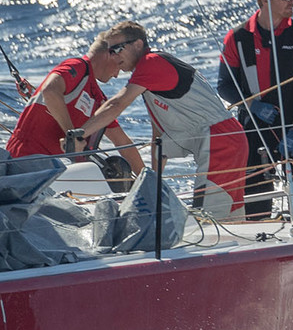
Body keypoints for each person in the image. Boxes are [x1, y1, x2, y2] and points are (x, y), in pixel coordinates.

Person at [76, 21, 250, 219]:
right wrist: (155, 180)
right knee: (230, 216)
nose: (113, 56)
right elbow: (158, 136)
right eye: (110, 51)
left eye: (117, 49)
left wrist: (79, 134)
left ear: (138, 44)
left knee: (210, 219)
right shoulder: (148, 78)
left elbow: (116, 104)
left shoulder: (151, 63)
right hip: (227, 139)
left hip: (220, 141)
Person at [217, 0, 293, 219]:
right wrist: (252, 106)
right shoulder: (237, 37)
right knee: (256, 207)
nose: (291, 1)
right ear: (263, 0)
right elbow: (224, 86)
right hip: (254, 127)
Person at [7, 32, 143, 173]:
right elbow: (50, 91)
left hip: (54, 171)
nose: (116, 75)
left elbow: (123, 143)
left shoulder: (98, 98)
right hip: (26, 161)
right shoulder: (77, 67)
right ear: (109, 54)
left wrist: (150, 182)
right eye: (119, 66)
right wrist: (71, 135)